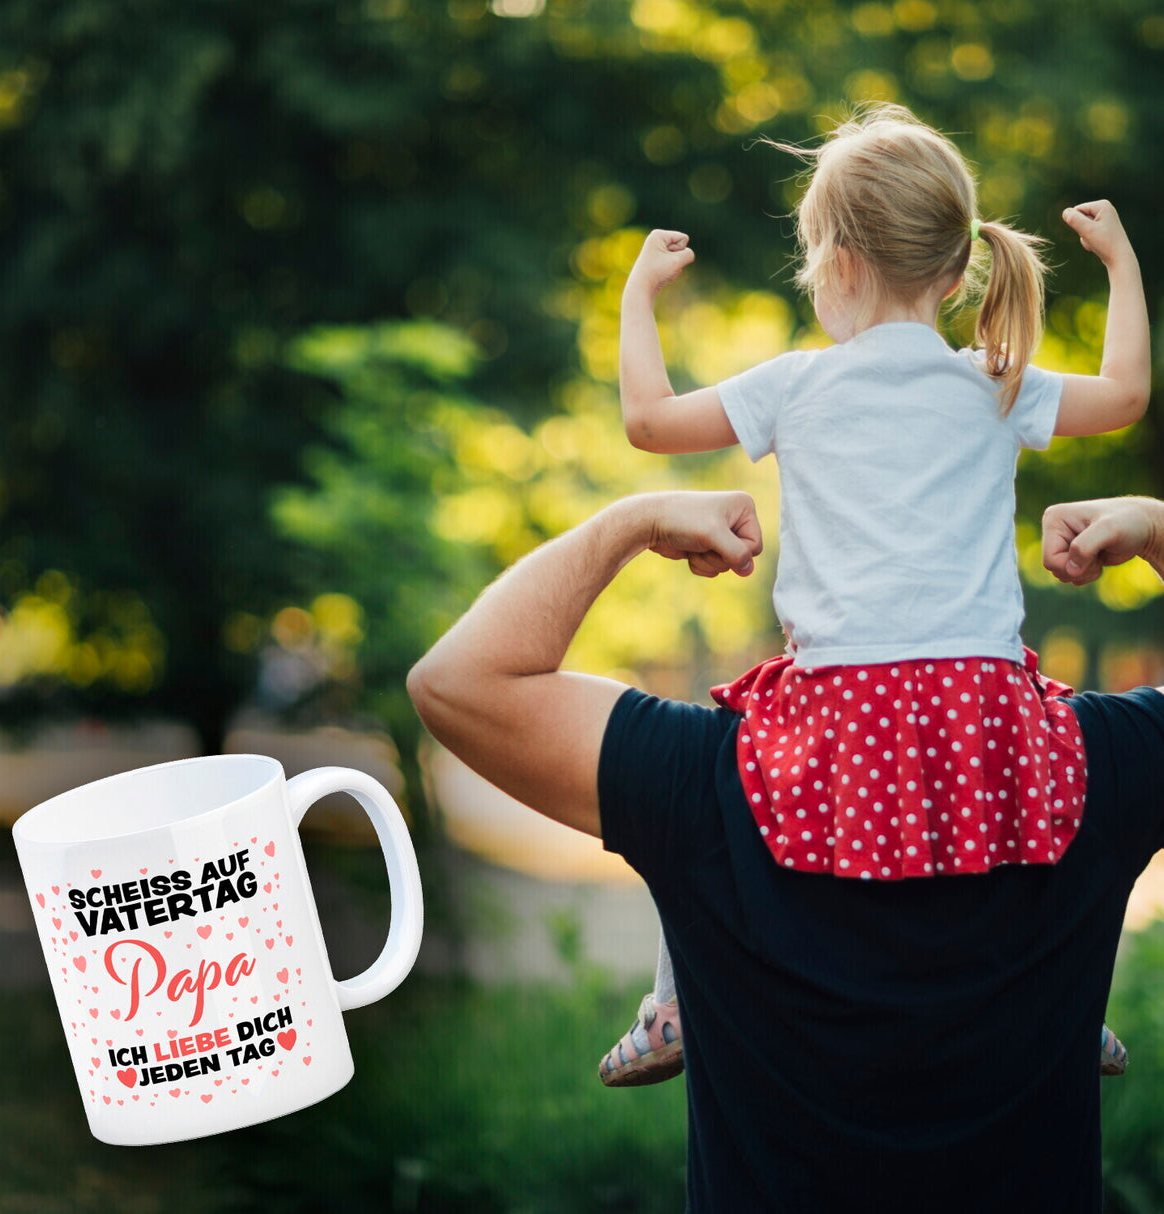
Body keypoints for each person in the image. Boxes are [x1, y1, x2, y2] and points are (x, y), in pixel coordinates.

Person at [408, 490, 1164, 1214]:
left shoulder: (710, 776)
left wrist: (629, 524)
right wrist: (1158, 529)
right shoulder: (1087, 765)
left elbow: (457, 681)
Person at [601, 103, 1149, 1085]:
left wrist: (636, 292)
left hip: (839, 701)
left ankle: (674, 1003)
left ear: (834, 263)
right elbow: (1123, 394)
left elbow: (646, 420)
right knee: (1056, 790)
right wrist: (1119, 266)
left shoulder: (793, 385)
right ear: (953, 270)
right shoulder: (996, 379)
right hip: (979, 696)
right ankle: (1072, 1005)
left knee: (703, 786)